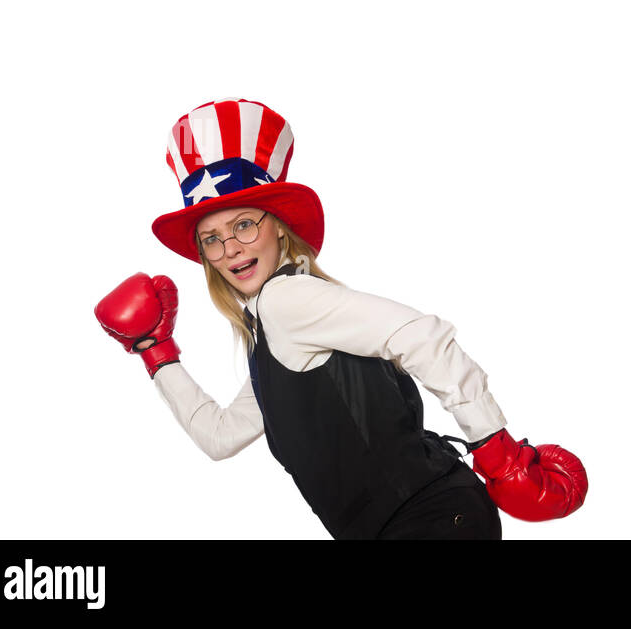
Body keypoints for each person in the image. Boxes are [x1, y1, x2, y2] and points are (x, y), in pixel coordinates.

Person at [95, 98, 587, 539]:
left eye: (243, 224)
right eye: (212, 238)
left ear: (279, 229)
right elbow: (221, 436)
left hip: (429, 521)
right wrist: (156, 352)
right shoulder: (276, 337)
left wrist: (497, 450)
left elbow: (421, 336)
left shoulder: (287, 303)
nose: (231, 248)